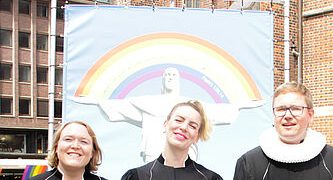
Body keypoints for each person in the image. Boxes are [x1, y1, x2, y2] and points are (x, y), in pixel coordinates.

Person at [73, 67, 262, 162]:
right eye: (167, 75)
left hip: (187, 164)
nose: (183, 125)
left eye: (174, 75)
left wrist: (242, 105)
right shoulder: (148, 103)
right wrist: (96, 101)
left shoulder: (192, 105)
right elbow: (120, 107)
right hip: (154, 158)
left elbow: (218, 112)